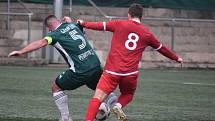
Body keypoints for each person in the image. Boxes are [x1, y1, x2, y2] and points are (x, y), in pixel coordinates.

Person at [76, 3, 183, 121]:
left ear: (129, 15)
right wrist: (176, 58)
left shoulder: (119, 24)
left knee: (97, 98)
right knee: (128, 95)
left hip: (112, 71)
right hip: (129, 74)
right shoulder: (147, 34)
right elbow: (162, 48)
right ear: (141, 17)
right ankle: (118, 105)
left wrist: (83, 23)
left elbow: (99, 25)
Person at [8, 15, 117, 121]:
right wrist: (69, 22)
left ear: (49, 28)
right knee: (101, 89)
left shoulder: (55, 34)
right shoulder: (73, 26)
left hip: (81, 70)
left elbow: (41, 42)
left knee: (56, 87)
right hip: (95, 64)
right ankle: (113, 104)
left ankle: (65, 118)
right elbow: (78, 30)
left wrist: (21, 51)